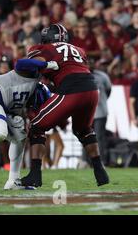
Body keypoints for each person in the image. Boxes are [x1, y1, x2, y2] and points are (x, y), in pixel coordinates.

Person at [19, 23, 109, 188]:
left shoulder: (41, 49)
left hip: (71, 89)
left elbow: (32, 65)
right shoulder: (79, 50)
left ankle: (35, 174)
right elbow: (73, 67)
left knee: (37, 126)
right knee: (83, 130)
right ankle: (100, 171)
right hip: (92, 89)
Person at [0, 62, 57, 189]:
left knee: (19, 136)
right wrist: (47, 64)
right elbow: (21, 63)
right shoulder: (31, 75)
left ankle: (13, 181)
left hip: (1, 105)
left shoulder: (33, 92)